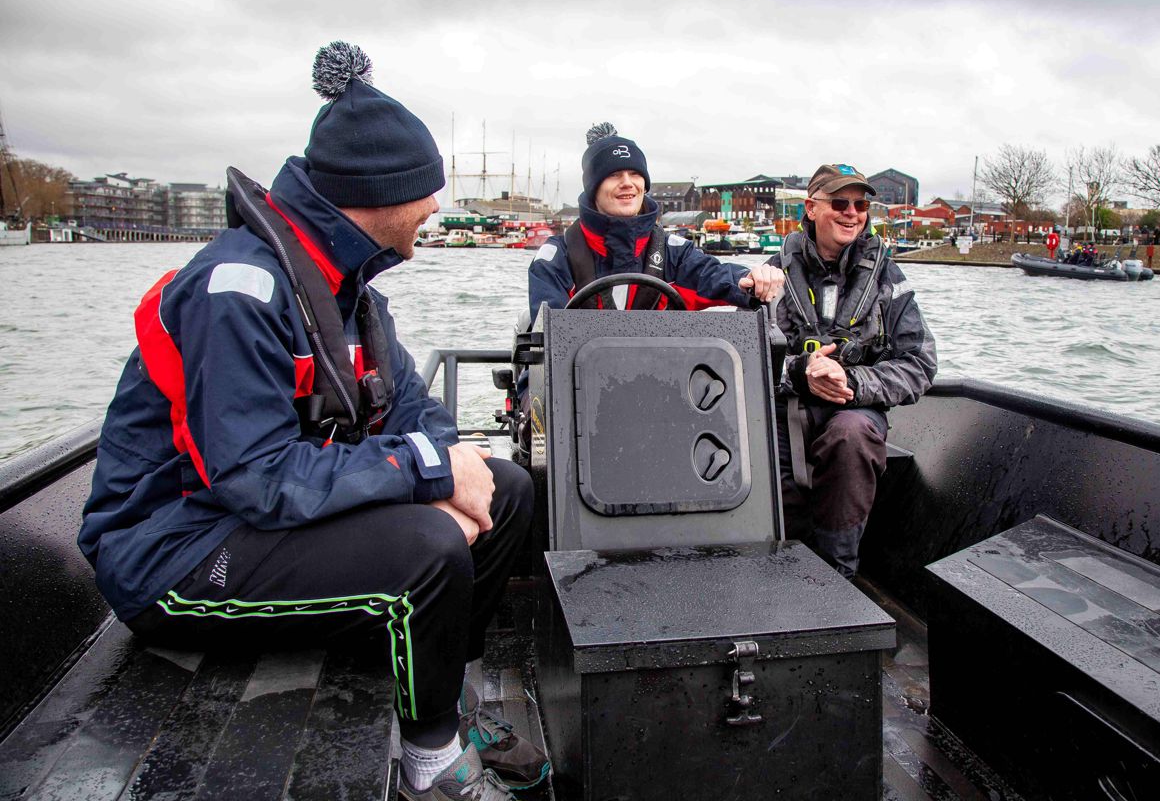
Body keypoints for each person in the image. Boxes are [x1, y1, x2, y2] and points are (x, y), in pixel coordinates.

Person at [78, 43, 543, 801]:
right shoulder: (237, 291)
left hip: (255, 521)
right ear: (378, 194)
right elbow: (255, 477)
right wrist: (426, 479)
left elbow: (411, 408)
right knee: (429, 546)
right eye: (428, 190)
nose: (436, 207)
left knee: (509, 489)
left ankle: (447, 701)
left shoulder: (349, 289)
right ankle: (433, 762)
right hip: (174, 554)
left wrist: (449, 465)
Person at [767, 164, 937, 578]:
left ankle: (837, 576)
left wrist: (854, 381)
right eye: (840, 203)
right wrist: (802, 370)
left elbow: (919, 363)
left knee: (852, 434)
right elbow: (743, 355)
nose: (852, 213)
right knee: (759, 441)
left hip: (855, 407)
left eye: (861, 204)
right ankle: (768, 569)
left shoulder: (888, 278)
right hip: (787, 405)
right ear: (811, 208)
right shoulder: (772, 273)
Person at [527, 123, 783, 319]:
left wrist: (751, 279)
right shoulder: (554, 259)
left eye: (635, 174)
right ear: (594, 188)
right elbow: (546, 346)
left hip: (662, 381)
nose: (627, 182)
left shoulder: (674, 252)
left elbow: (713, 276)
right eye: (614, 174)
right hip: (579, 385)